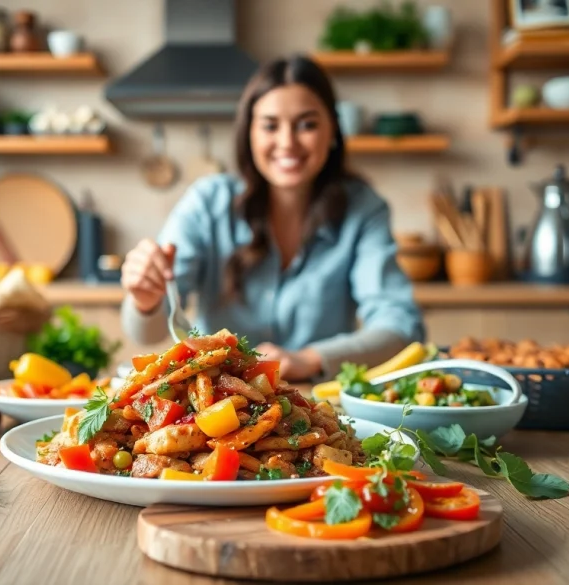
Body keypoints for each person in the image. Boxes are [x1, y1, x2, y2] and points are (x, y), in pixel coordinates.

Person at [119, 54, 424, 382]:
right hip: (217, 404)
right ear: (248, 133)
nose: (287, 142)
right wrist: (146, 301)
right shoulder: (208, 202)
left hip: (317, 403)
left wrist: (308, 359)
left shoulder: (363, 209)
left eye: (307, 124)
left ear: (333, 130)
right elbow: (146, 333)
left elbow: (401, 327)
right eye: (270, 125)